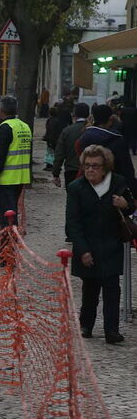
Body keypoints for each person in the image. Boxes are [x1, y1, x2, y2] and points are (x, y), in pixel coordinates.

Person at [65, 144, 135, 344]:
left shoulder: (119, 183)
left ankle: (111, 330)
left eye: (95, 166)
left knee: (112, 288)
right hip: (88, 244)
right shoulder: (76, 188)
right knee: (90, 287)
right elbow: (73, 222)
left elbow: (130, 207)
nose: (90, 170)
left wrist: (125, 205)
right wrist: (83, 249)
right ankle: (86, 324)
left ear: (105, 168)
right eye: (87, 166)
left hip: (112, 244)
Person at [0, 95, 32, 227]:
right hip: (20, 177)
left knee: (7, 216)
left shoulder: (4, 128)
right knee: (12, 212)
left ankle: (8, 244)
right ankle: (10, 242)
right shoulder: (24, 127)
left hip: (6, 179)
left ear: (1, 110)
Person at [76, 104, 137, 195]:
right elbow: (126, 168)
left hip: (88, 183)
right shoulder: (118, 140)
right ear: (111, 119)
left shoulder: (84, 137)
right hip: (113, 187)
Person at [52, 102, 89, 189]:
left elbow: (59, 153)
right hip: (90, 169)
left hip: (71, 170)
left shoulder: (67, 131)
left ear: (74, 114)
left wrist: (56, 173)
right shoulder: (92, 130)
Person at [43, 105, 69, 171]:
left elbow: (48, 130)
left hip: (50, 139)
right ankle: (54, 165)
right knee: (56, 153)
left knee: (50, 152)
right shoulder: (58, 121)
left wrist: (47, 138)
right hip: (56, 139)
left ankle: (49, 165)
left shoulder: (49, 120)